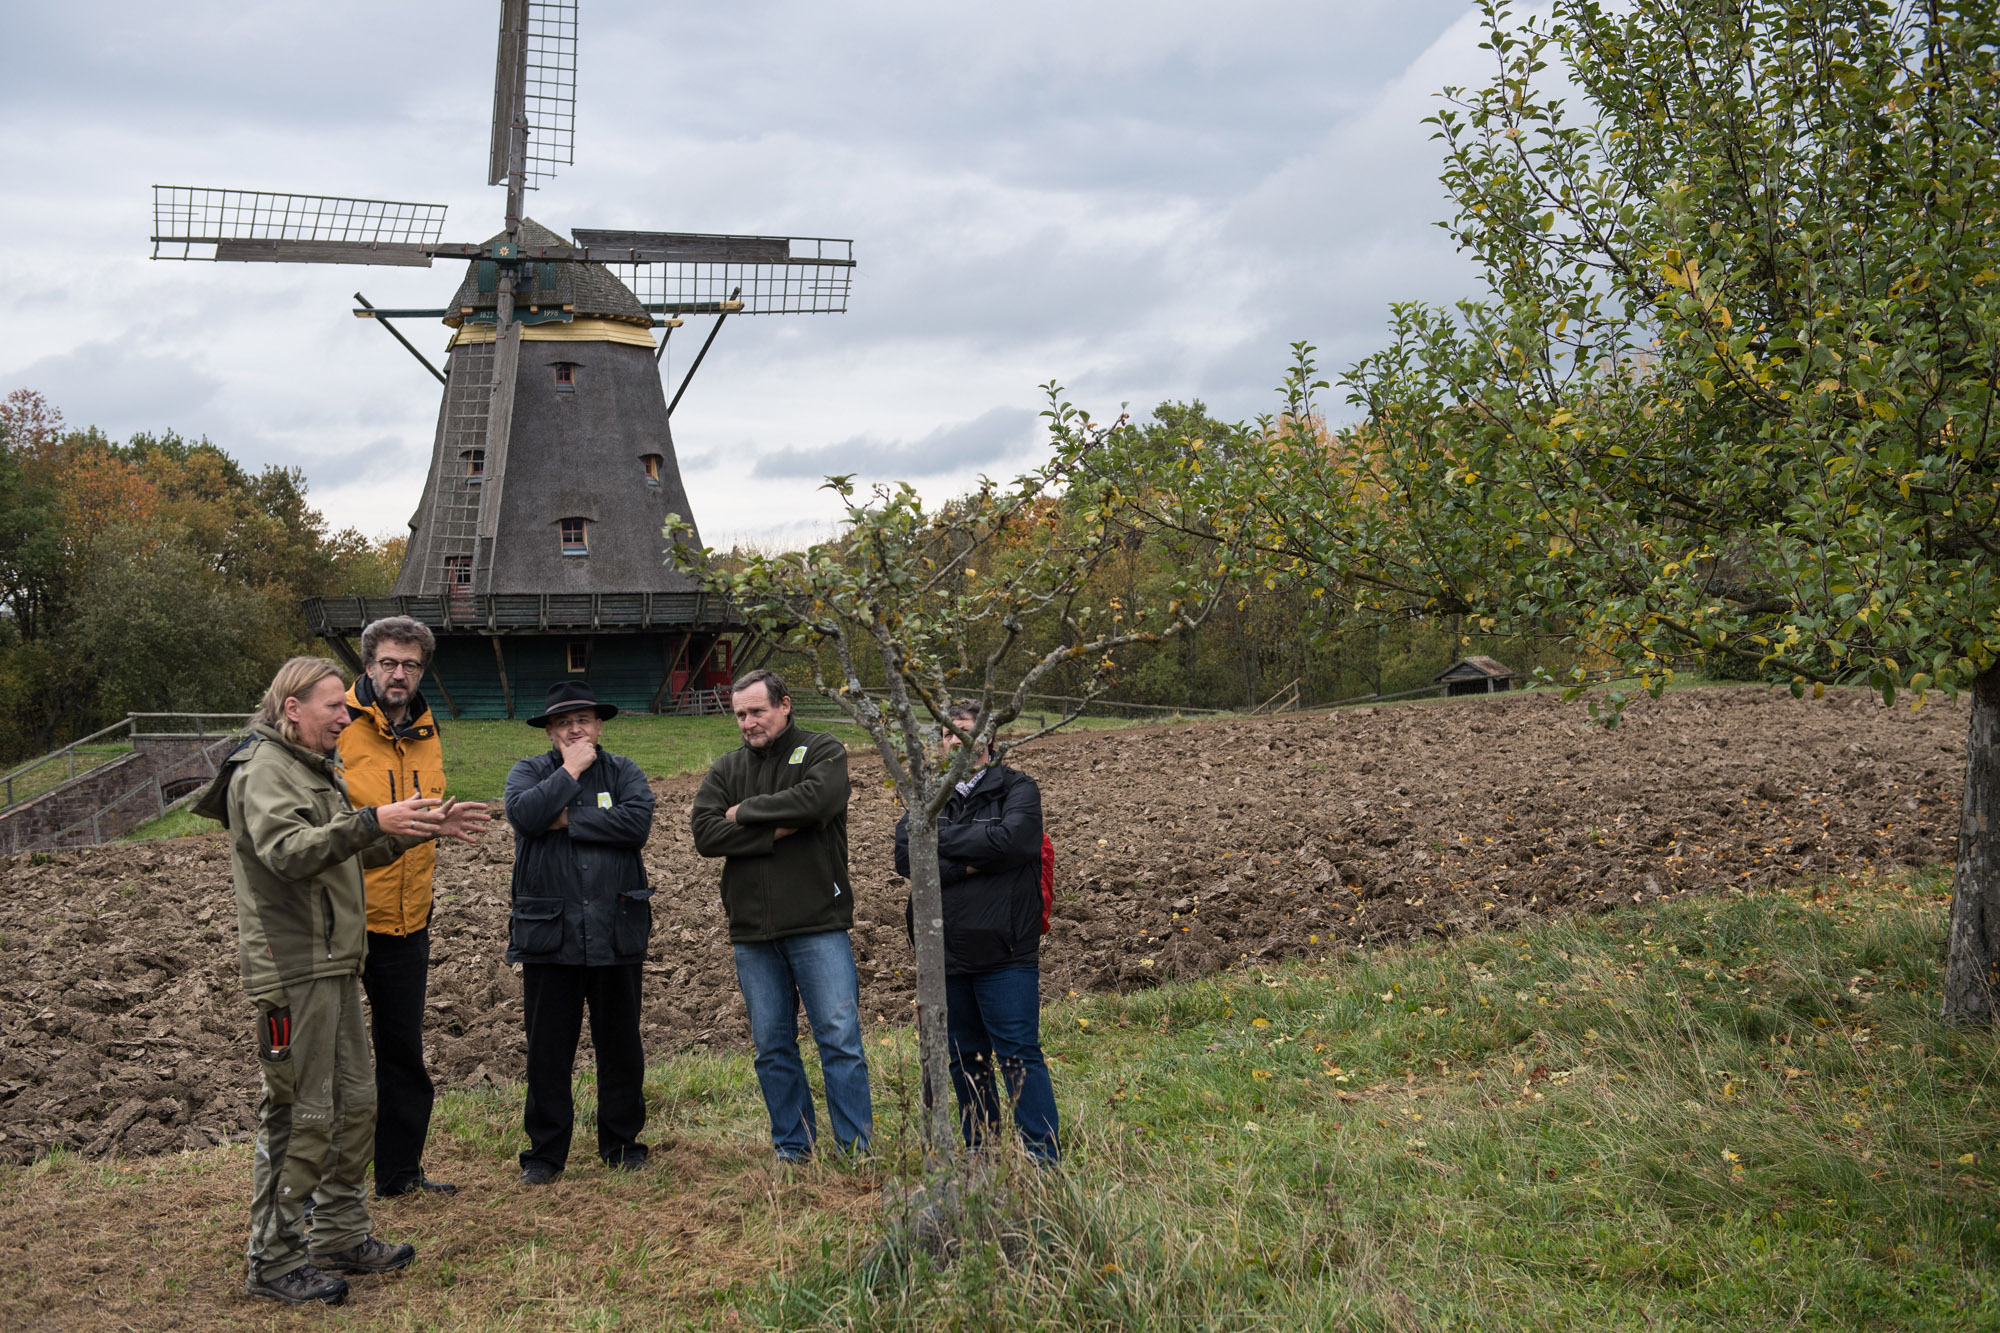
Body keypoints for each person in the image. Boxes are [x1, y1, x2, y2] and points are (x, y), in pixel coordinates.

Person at [196, 656, 484, 1306]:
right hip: (294, 971)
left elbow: (345, 846)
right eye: (333, 704)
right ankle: (273, 1260)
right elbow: (289, 852)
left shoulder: (310, 768)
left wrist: (417, 829)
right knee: (301, 1116)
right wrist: (368, 821)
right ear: (291, 706)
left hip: (335, 963)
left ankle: (340, 1232)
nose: (345, 715)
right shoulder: (262, 770)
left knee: (355, 1104)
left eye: (345, 707)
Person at [691, 669, 872, 1161]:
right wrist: (775, 829)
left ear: (785, 705)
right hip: (752, 931)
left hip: (817, 922)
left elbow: (819, 800)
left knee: (838, 1040)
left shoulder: (823, 749)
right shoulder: (727, 768)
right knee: (772, 1048)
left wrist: (744, 813)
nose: (748, 722)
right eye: (740, 715)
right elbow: (705, 834)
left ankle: (856, 1150)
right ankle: (795, 1148)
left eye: (757, 711)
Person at [337, 616, 475, 1200]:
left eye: (411, 665)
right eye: (389, 663)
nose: (400, 674)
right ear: (368, 666)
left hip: (409, 916)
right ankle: (332, 1188)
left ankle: (399, 1174)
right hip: (343, 918)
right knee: (336, 1062)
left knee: (404, 1053)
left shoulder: (425, 726)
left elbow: (423, 813)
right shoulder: (336, 725)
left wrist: (438, 823)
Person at [503, 680, 658, 1185]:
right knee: (548, 1049)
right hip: (551, 933)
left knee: (620, 1045)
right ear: (549, 731)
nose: (575, 728)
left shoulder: (624, 770)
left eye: (584, 719)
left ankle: (622, 1144)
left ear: (599, 724)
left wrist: (565, 816)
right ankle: (545, 1156)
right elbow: (526, 816)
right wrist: (571, 773)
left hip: (617, 927)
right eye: (564, 722)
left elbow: (636, 825)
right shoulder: (528, 772)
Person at [893, 702, 1059, 1163]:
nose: (954, 741)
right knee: (966, 1061)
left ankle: (1042, 1161)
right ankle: (981, 1157)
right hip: (942, 949)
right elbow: (907, 858)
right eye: (947, 734)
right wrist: (976, 857)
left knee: (1019, 1056)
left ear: (987, 739)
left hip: (1005, 950)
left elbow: (1015, 842)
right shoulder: (926, 794)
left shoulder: (1018, 787)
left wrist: (939, 845)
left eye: (963, 732)